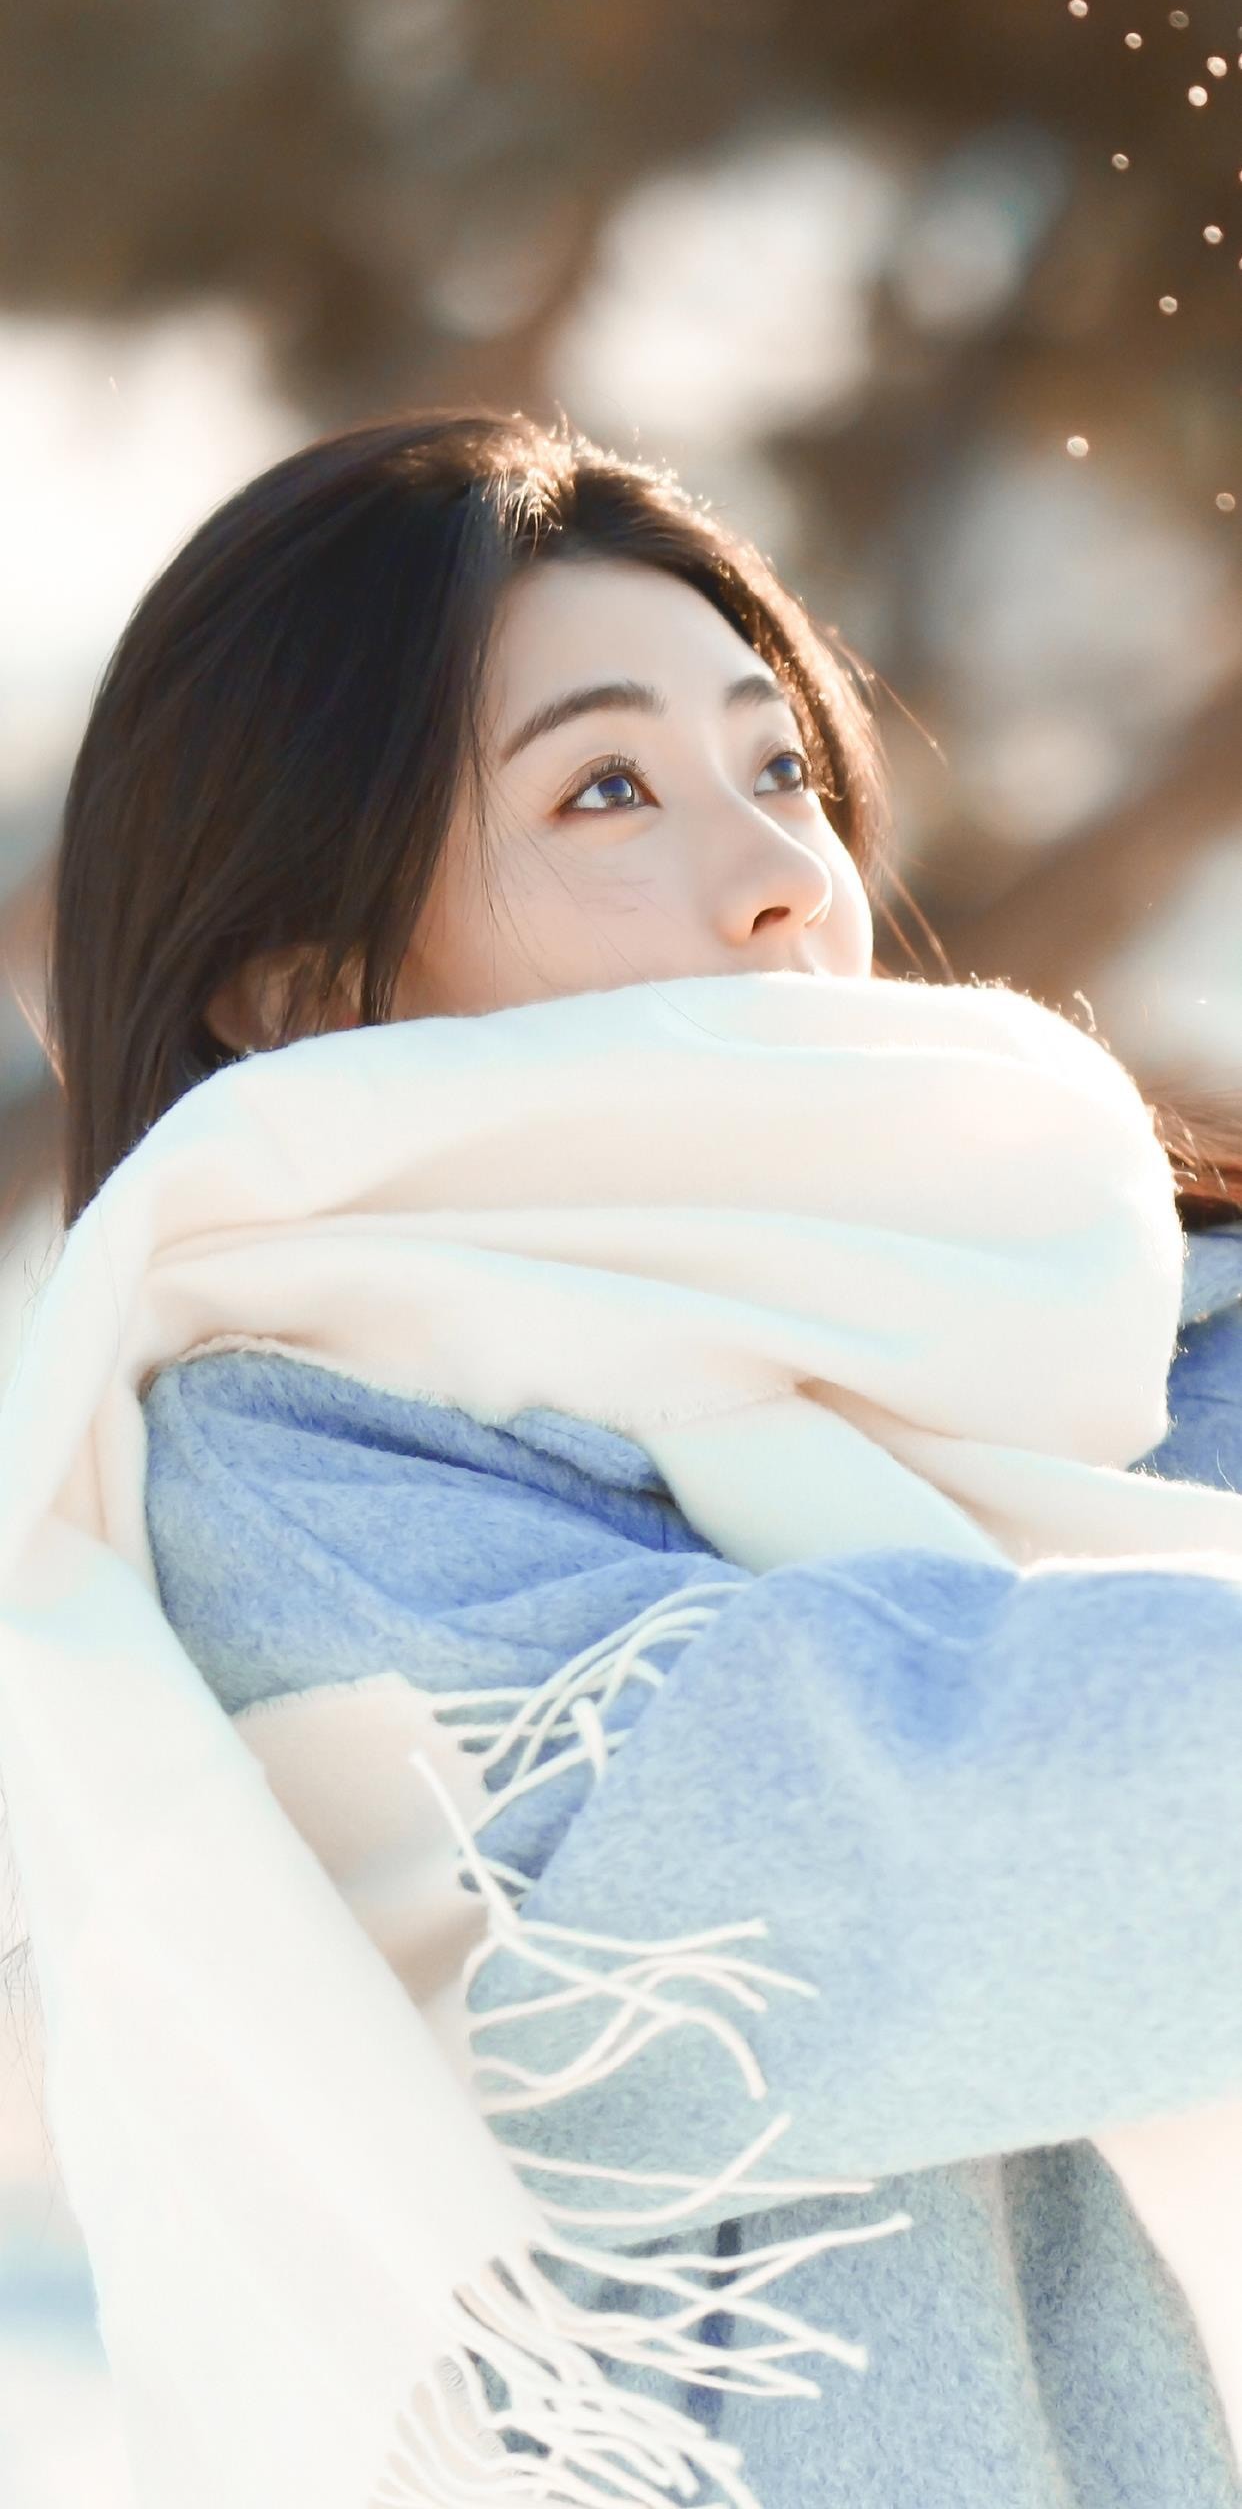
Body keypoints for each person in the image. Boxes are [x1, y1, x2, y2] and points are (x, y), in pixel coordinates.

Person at [33, 406, 1242, 2505]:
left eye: (782, 771)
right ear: (311, 988)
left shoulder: (1118, 1339)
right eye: (607, 789)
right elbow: (900, 1860)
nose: (787, 878)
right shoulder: (289, 1494)